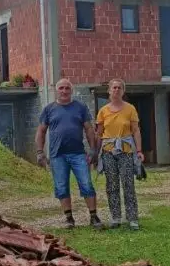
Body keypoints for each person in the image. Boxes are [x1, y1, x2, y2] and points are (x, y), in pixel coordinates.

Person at [35, 78, 103, 230]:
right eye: (61, 88)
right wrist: (40, 152)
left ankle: (93, 217)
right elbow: (41, 131)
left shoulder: (80, 107)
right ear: (56, 90)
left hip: (78, 154)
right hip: (57, 155)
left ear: (71, 90)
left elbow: (89, 129)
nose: (64, 91)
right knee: (61, 187)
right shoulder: (49, 109)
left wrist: (93, 150)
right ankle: (69, 218)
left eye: (67, 88)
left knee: (86, 184)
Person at [96, 78, 145, 230]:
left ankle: (132, 218)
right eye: (114, 87)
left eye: (119, 88)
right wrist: (95, 153)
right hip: (108, 151)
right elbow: (99, 133)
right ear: (109, 91)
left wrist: (139, 151)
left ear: (123, 91)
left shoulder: (130, 109)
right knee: (111, 185)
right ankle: (115, 217)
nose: (116, 90)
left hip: (126, 150)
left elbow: (135, 131)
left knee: (128, 184)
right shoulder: (103, 111)